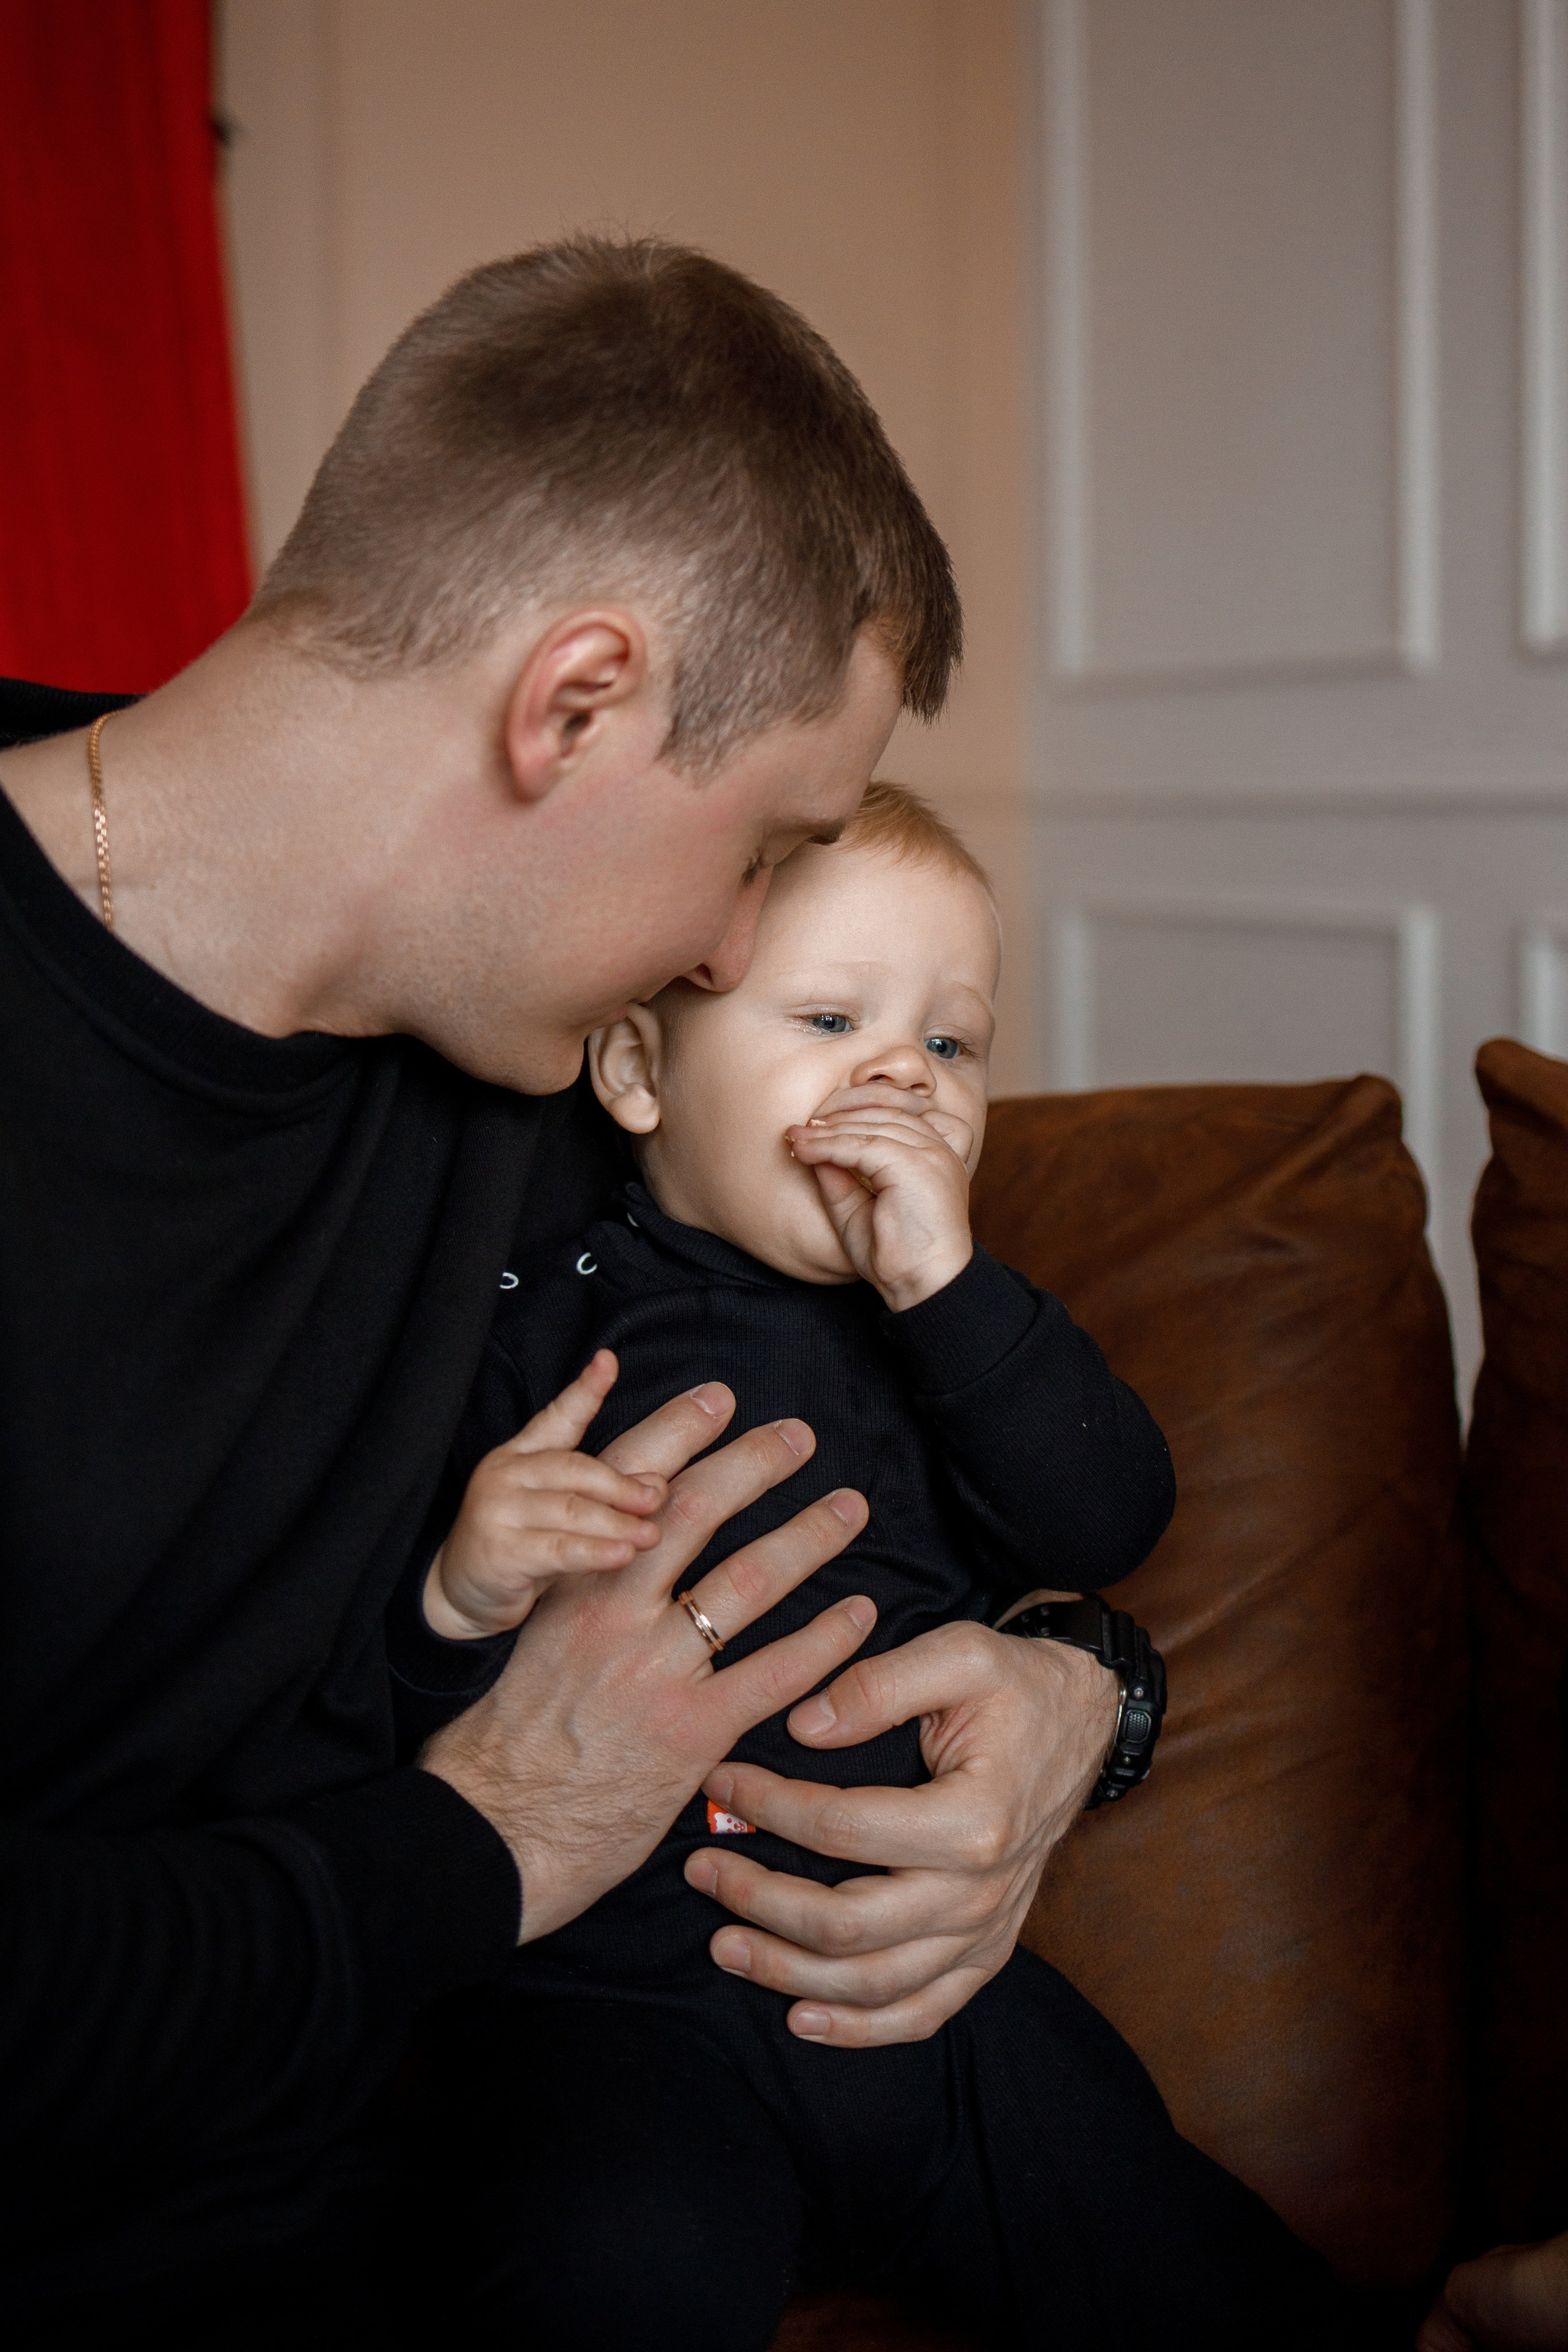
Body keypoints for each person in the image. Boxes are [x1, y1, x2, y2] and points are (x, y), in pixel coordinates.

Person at [0, 238, 1128, 2344]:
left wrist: (1083, 1696)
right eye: (758, 846)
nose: (726, 966)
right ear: (576, 703)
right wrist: (496, 1830)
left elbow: (927, 1441)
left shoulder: (546, 1084)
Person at [410, 784, 1341, 2349]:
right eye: (831, 1017)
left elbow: (1108, 1518)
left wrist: (945, 1280)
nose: (900, 1078)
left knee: (1183, 2257)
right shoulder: (530, 1323)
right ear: (637, 1068)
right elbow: (378, 1671)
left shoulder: (962, 1333)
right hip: (617, 2013)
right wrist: (461, 1583)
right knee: (609, 2262)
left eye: (952, 1044)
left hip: (932, 2004)